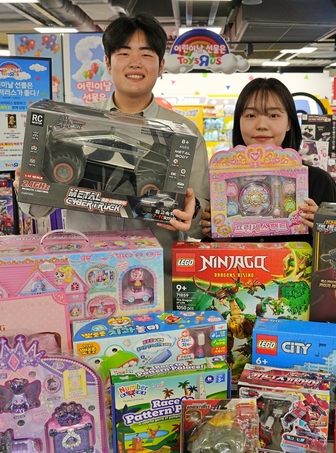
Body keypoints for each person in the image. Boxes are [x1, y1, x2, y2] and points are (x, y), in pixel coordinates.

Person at [18, 13, 209, 305]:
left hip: (155, 278)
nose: (135, 62)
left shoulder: (182, 133)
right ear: (108, 63)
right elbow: (38, 207)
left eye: (146, 54)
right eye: (124, 53)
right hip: (88, 275)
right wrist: (30, 184)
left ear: (161, 66)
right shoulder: (71, 124)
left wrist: (191, 214)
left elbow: (197, 216)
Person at [201, 78, 336, 243]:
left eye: (273, 115)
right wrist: (219, 235)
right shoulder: (220, 181)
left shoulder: (319, 183)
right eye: (250, 115)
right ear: (239, 122)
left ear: (289, 122)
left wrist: (323, 232)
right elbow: (210, 253)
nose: (262, 125)